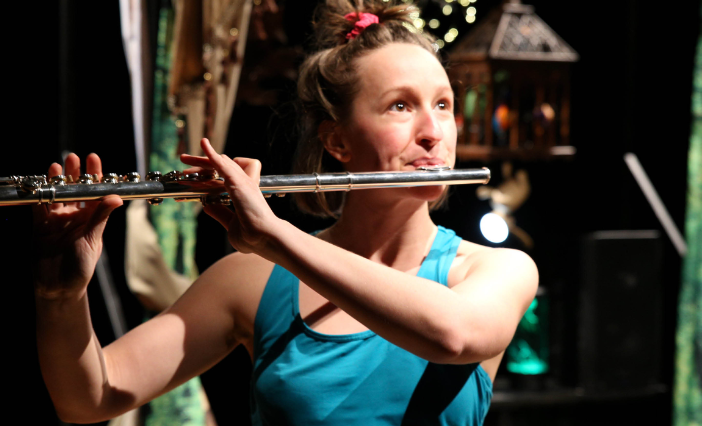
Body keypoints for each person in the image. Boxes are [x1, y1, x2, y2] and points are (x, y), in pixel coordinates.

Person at [33, 1, 538, 424]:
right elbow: (89, 399)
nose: (433, 131)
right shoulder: (250, 279)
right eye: (400, 107)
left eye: (444, 105)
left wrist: (274, 237)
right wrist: (62, 294)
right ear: (337, 140)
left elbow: (452, 335)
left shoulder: (496, 268)